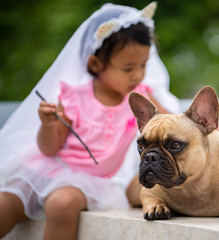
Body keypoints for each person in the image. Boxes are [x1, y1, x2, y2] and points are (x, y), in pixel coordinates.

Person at [0, 2, 179, 240]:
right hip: (46, 169)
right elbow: (49, 148)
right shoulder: (73, 96)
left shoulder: (141, 97)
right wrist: (49, 125)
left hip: (91, 181)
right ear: (95, 64)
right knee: (5, 204)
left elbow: (175, 124)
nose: (137, 74)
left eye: (143, 65)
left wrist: (207, 130)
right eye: (128, 68)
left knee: (62, 204)